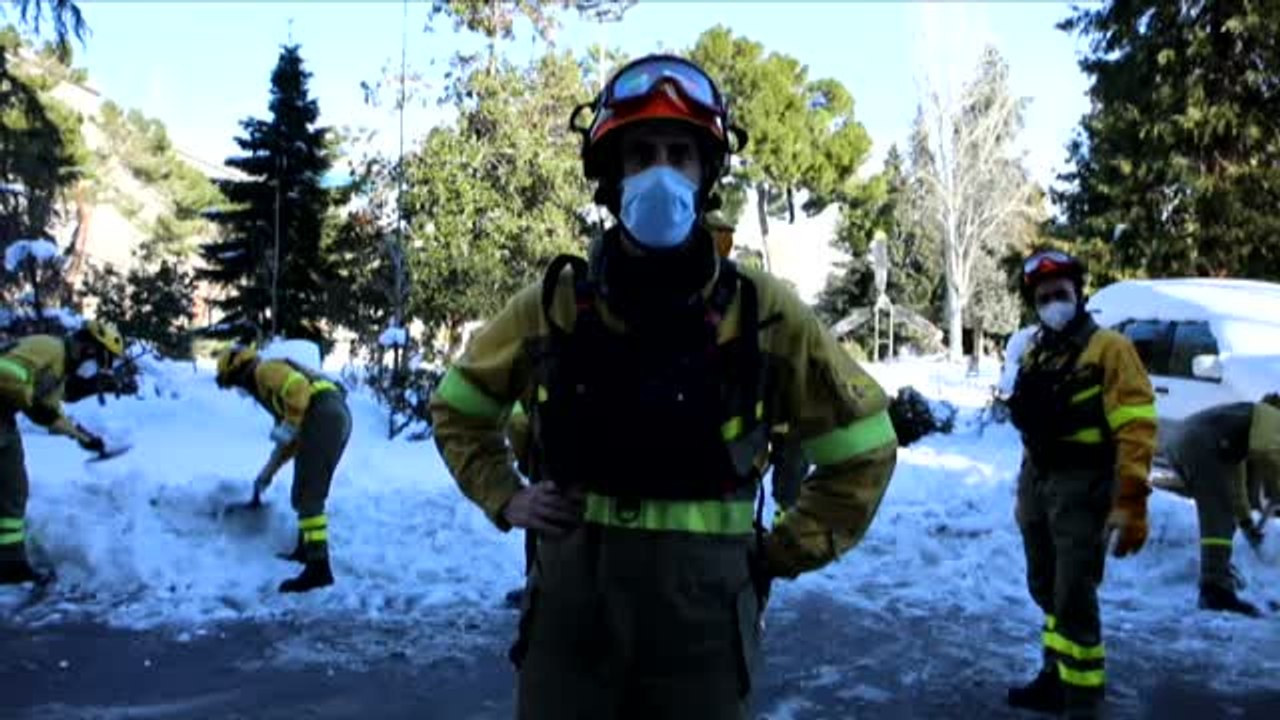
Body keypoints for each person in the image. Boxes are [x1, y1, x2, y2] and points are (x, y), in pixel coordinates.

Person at [429, 53, 899, 719]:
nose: (660, 174)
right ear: (609, 176)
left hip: (701, 639)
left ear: (707, 174)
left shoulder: (764, 312)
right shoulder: (552, 305)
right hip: (569, 632)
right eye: (640, 154)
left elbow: (865, 448)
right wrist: (505, 496)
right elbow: (457, 409)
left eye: (680, 155)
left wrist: (777, 554)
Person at [1005, 249, 1157, 718]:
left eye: (1061, 293)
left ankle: (1083, 700)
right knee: (1046, 586)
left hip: (1083, 485)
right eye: (1044, 295)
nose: (1054, 301)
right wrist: (1025, 491)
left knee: (1073, 593)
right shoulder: (1035, 350)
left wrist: (1130, 498)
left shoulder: (1110, 348)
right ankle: (1055, 676)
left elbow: (1136, 424)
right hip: (1040, 481)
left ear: (1079, 293)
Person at [214, 344, 352, 593]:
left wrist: (289, 425)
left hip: (325, 415)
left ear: (239, 372)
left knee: (310, 494)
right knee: (303, 488)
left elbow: (298, 388)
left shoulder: (265, 370)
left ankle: (319, 569)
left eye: (234, 383)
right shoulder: (273, 395)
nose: (239, 390)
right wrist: (267, 473)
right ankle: (306, 551)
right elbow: (289, 441)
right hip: (327, 415)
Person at [0, 319, 126, 584]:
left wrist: (83, 437)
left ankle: (11, 564)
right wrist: (30, 398)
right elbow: (6, 371)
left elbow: (50, 413)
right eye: (103, 361)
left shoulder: (59, 372)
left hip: (4, 422)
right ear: (89, 349)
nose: (99, 369)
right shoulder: (49, 348)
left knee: (14, 488)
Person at [1156, 396, 1280, 617]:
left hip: (1182, 443)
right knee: (1218, 515)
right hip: (1198, 445)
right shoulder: (1270, 414)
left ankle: (1218, 573)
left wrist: (1246, 522)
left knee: (1221, 510)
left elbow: (1236, 486)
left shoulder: (1236, 432)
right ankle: (1215, 589)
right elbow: (1268, 449)